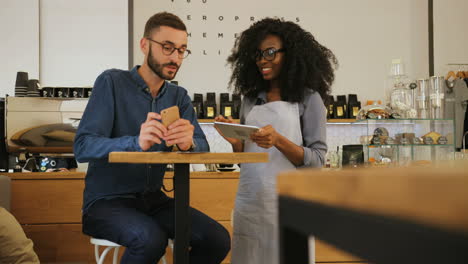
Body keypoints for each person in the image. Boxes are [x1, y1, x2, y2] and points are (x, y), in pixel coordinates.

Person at [74, 12, 230, 264]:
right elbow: (83, 146)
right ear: (145, 45)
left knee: (218, 240)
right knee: (150, 239)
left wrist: (188, 143)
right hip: (105, 203)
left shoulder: (178, 96)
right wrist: (135, 142)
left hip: (153, 201)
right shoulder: (112, 82)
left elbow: (203, 145)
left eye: (181, 50)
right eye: (167, 48)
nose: (175, 58)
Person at [215, 18, 337, 263]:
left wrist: (279, 140)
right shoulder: (251, 99)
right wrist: (235, 142)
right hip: (251, 204)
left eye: (271, 53)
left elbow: (317, 161)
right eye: (258, 54)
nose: (263, 60)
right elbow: (248, 162)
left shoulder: (309, 99)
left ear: (290, 54)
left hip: (288, 206)